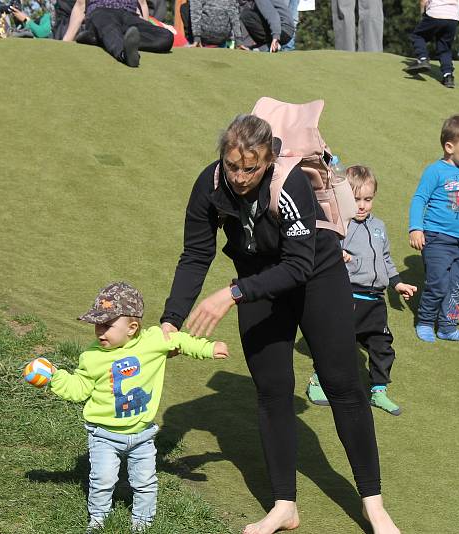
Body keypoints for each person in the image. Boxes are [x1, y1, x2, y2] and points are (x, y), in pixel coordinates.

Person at [161, 115, 400, 534]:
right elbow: (196, 254)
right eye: (232, 165)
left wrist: (232, 293)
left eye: (249, 168)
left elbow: (297, 266)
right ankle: (283, 506)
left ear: (268, 160)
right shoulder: (210, 184)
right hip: (257, 278)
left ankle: (374, 505)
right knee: (272, 391)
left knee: (343, 383)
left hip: (314, 274)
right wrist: (171, 320)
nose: (238, 177)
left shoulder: (290, 184)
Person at [44, 281, 228, 531]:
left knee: (145, 481)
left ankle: (143, 522)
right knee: (103, 480)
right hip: (104, 435)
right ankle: (98, 519)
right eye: (97, 323)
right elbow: (78, 389)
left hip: (142, 435)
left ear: (132, 328)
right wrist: (54, 376)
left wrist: (208, 348)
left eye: (107, 325)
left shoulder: (153, 341)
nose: (100, 331)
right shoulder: (92, 356)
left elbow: (181, 341)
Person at [305, 165, 417, 416]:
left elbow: (385, 258)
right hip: (348, 296)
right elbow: (321, 248)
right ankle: (318, 381)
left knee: (382, 345)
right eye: (356, 199)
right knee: (337, 345)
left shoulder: (379, 227)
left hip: (376, 302)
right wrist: (337, 253)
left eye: (368, 199)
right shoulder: (339, 225)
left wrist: (397, 282)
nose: (362, 205)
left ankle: (378, 390)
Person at [409, 114, 459, 343]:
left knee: (458, 286)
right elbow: (419, 198)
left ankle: (448, 327)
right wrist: (416, 228)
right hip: (437, 238)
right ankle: (424, 321)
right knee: (438, 283)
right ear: (449, 147)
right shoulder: (436, 171)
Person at [63, 0, 174, 67]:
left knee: (166, 37)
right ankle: (124, 54)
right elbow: (80, 5)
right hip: (100, 12)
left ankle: (100, 40)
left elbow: (142, 4)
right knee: (109, 26)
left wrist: (144, 28)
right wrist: (66, 40)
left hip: (129, 16)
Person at [404, 0, 459, 88]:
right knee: (445, 48)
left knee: (417, 36)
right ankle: (448, 76)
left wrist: (422, 14)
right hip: (453, 17)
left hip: (436, 13)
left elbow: (423, 1)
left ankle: (423, 59)